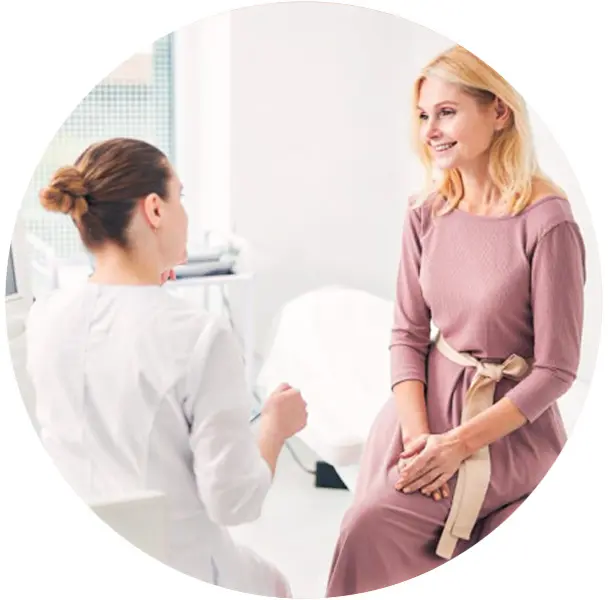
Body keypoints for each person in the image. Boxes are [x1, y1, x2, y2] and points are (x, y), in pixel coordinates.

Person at [325, 45, 586, 596]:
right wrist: (422, 441)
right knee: (366, 527)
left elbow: (557, 370)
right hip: (421, 419)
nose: (430, 131)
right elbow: (407, 334)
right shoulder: (425, 211)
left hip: (509, 431)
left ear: (499, 112)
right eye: (424, 115)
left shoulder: (548, 222)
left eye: (447, 113)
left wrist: (458, 445)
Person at [25, 137, 308, 596]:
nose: (185, 214)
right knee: (276, 584)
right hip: (178, 564)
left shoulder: (44, 317)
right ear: (155, 209)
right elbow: (233, 502)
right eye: (181, 197)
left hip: (77, 570)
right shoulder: (199, 335)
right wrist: (275, 428)